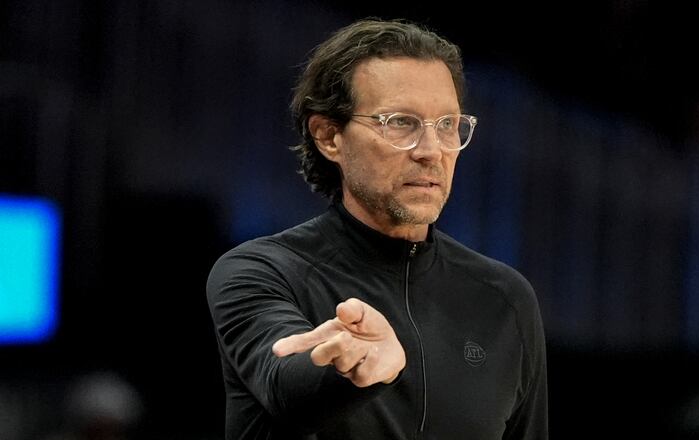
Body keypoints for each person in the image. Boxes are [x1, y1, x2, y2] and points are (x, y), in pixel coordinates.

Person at [206, 18, 548, 440]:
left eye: (447, 125)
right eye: (400, 123)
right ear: (330, 136)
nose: (431, 152)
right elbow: (284, 383)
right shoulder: (259, 271)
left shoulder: (506, 300)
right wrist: (353, 369)